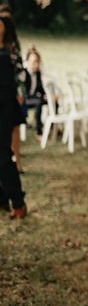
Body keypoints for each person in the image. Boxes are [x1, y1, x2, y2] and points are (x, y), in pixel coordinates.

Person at [0, 17, 27, 218]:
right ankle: (2, 200)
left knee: (3, 157)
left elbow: (9, 89)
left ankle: (18, 203)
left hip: (4, 110)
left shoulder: (7, 54)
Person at [0, 6, 26, 173]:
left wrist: (19, 91)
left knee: (15, 127)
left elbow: (20, 72)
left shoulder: (12, 49)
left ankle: (16, 158)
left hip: (13, 93)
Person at [24, 47, 47, 139]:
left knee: (53, 101)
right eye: (34, 62)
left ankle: (52, 127)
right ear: (28, 62)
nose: (36, 64)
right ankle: (38, 131)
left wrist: (48, 96)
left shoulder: (38, 73)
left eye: (38, 62)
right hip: (26, 100)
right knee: (39, 102)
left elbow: (40, 88)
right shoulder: (24, 73)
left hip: (34, 98)